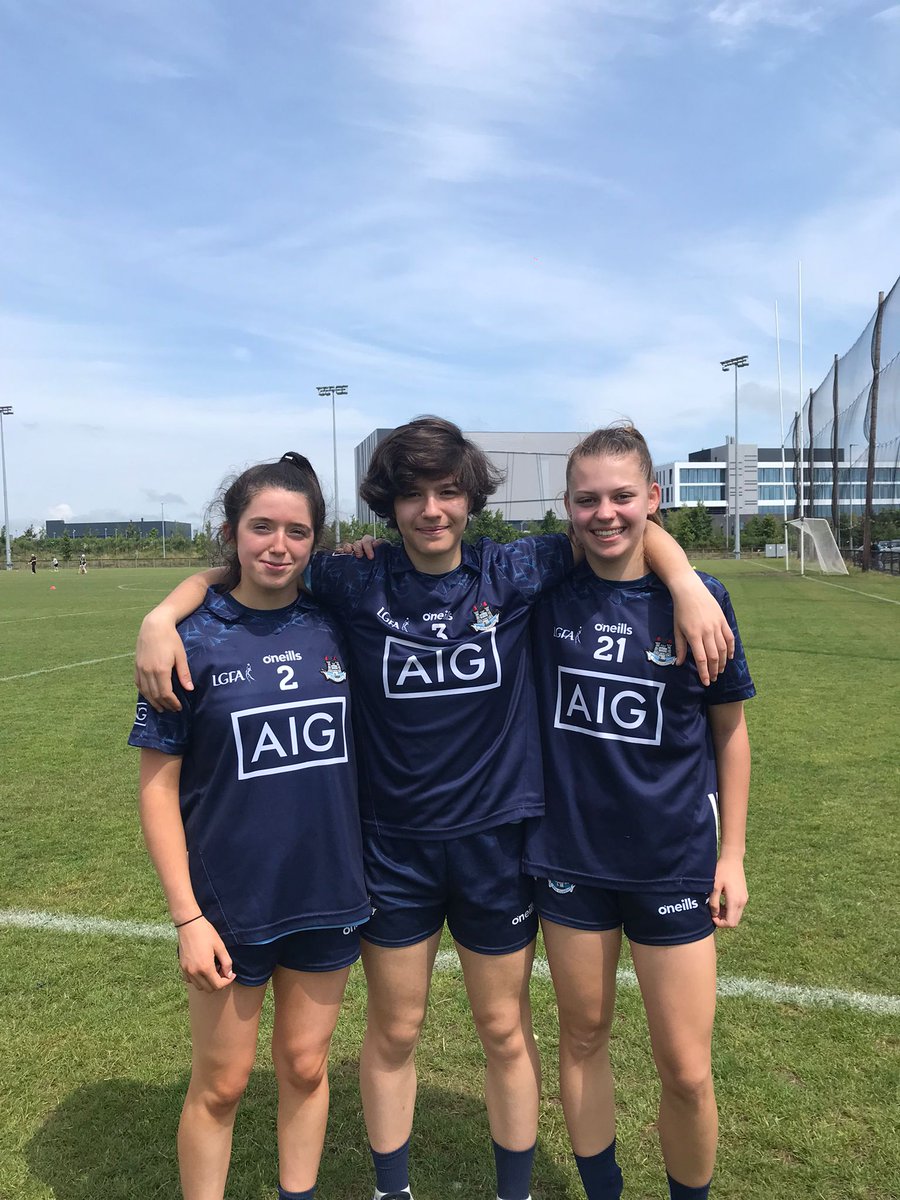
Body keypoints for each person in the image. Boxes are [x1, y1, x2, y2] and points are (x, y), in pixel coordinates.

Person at [134, 418, 734, 1200]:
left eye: (448, 491)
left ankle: (512, 1191)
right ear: (389, 505)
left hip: (497, 845)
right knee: (396, 1031)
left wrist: (685, 580)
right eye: (412, 494)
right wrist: (162, 613)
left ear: (470, 497)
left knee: (502, 1031)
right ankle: (393, 1190)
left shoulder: (517, 567)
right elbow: (255, 569)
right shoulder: (352, 580)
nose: (431, 509)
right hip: (389, 849)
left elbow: (616, 527)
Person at [128, 452, 370, 1200]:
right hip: (230, 904)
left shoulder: (340, 622)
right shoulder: (190, 639)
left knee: (305, 1067)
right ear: (231, 531)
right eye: (261, 526)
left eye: (297, 532)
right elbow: (156, 791)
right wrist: (187, 916)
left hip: (328, 890)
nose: (278, 544)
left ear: (316, 543)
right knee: (223, 1084)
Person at [523, 424, 754, 1200]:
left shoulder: (701, 601)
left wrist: (733, 858)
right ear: (568, 507)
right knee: (583, 1036)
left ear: (653, 500)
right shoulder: (545, 593)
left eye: (623, 496)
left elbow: (732, 735)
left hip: (674, 860)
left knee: (686, 1069)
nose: (606, 513)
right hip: (568, 859)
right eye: (587, 499)